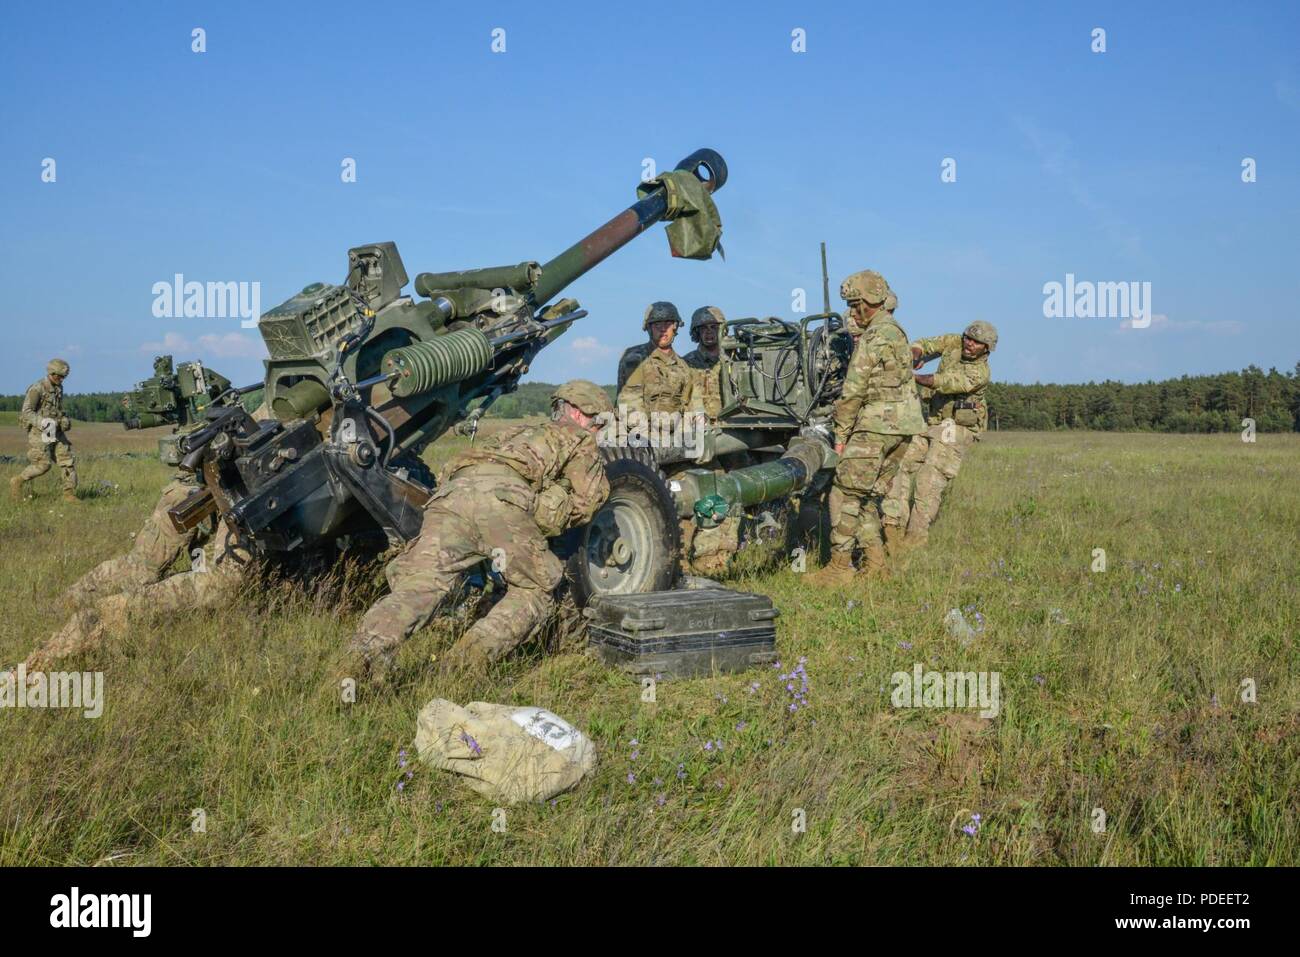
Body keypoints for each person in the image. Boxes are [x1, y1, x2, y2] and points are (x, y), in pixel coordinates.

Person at [349, 380, 613, 683]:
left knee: (423, 583)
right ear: (580, 414)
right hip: (501, 500)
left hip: (450, 497)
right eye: (598, 422)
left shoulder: (513, 432)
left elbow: (458, 468)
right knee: (536, 590)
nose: (598, 431)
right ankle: (459, 668)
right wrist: (541, 511)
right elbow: (589, 500)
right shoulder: (579, 438)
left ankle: (361, 655)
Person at [806, 271, 925, 586]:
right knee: (866, 496)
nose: (853, 312)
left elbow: (853, 391)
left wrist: (841, 436)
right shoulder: (897, 331)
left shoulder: (873, 336)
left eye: (854, 305)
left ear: (864, 303)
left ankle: (839, 567)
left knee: (844, 493)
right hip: (905, 428)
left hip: (875, 426)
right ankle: (876, 565)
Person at [883, 321, 997, 547]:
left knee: (929, 479)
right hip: (933, 422)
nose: (969, 344)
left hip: (956, 429)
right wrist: (916, 353)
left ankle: (915, 539)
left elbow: (941, 383)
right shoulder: (954, 341)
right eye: (968, 338)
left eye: (976, 342)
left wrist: (908, 375)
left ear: (987, 348)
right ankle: (893, 526)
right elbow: (926, 344)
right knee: (898, 463)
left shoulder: (980, 373)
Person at [11, 358, 77, 503]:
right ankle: (18, 481)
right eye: (59, 376)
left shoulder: (59, 388)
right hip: (40, 432)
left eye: (64, 377)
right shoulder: (37, 388)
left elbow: (56, 409)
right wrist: (44, 423)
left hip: (56, 430)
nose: (62, 379)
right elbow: (26, 412)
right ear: (52, 373)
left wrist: (64, 419)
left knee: (67, 460)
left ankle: (69, 494)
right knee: (43, 465)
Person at [617, 301, 694, 421]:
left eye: (668, 324)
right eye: (657, 324)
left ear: (675, 327)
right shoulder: (635, 358)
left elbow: (691, 404)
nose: (663, 329)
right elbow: (630, 403)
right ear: (649, 328)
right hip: (640, 433)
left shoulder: (683, 367)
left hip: (676, 433)